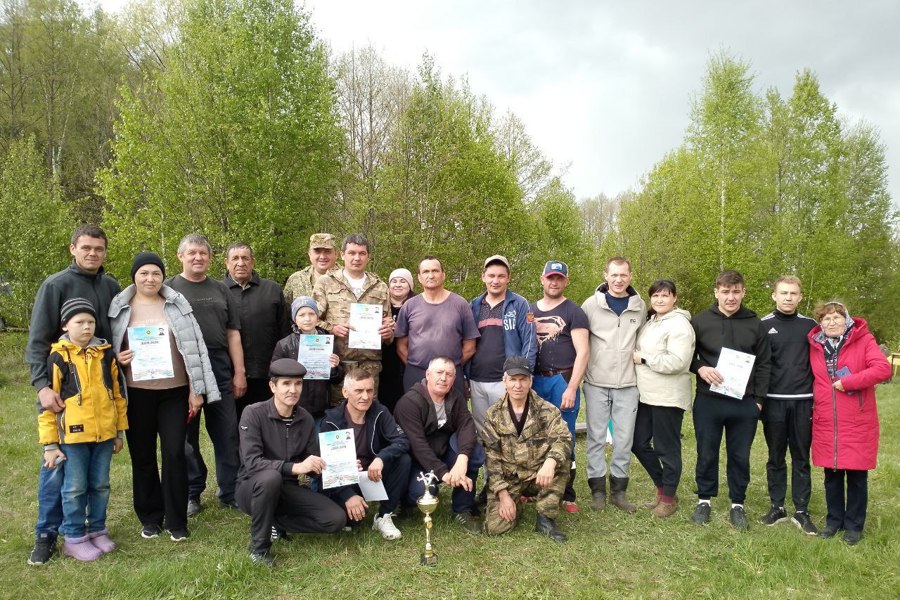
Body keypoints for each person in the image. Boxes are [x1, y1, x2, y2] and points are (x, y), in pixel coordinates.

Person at [26, 225, 121, 566]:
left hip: (99, 391)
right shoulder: (56, 285)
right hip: (59, 389)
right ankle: (46, 534)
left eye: (99, 248)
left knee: (91, 476)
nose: (93, 253)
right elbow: (37, 342)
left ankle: (90, 530)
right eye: (86, 247)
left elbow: (112, 336)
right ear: (73, 249)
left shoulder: (111, 286)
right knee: (57, 467)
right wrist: (42, 387)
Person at [108, 252, 221, 541]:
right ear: (134, 276)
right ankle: (150, 517)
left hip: (174, 393)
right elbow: (106, 350)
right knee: (143, 456)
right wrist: (117, 359)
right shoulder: (120, 308)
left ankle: (177, 520)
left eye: (155, 273)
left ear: (162, 276)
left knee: (175, 453)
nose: (150, 278)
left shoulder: (176, 304)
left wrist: (198, 391)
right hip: (137, 394)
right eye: (144, 273)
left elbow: (196, 349)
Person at [39, 298, 128, 561]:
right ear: (66, 324)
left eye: (90, 322)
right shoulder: (58, 357)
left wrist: (118, 431)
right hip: (73, 438)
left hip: (104, 435)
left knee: (100, 485)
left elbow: (118, 394)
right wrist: (50, 444)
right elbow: (47, 405)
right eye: (80, 322)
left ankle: (97, 530)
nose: (87, 327)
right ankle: (74, 536)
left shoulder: (105, 354)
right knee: (75, 487)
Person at [236, 359, 347, 567]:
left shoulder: (304, 418)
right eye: (286, 384)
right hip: (252, 488)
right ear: (272, 386)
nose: (293, 390)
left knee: (336, 519)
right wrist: (295, 467)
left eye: (298, 384)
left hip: (287, 488)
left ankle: (275, 522)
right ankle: (259, 548)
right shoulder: (253, 413)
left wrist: (341, 467)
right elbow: (252, 463)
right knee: (270, 478)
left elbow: (312, 462)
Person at [166, 233, 244, 516]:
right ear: (180, 256)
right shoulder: (168, 289)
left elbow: (233, 333)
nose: (197, 257)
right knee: (185, 437)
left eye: (203, 253)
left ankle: (231, 491)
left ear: (210, 259)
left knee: (226, 434)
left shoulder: (222, 290)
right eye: (192, 253)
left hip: (220, 367)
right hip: (182, 372)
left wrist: (240, 372)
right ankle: (192, 492)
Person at [689, 270, 771, 530]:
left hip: (744, 403)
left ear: (743, 292)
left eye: (736, 291)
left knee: (739, 455)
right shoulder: (700, 322)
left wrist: (758, 401)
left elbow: (765, 364)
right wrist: (700, 367)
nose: (731, 297)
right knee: (707, 452)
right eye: (725, 292)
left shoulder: (756, 324)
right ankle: (704, 500)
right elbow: (687, 356)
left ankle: (738, 503)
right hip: (708, 400)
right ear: (716, 293)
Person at [808, 302, 890, 545]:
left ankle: (854, 526)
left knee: (856, 476)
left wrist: (850, 382)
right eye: (826, 318)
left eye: (837, 317)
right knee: (831, 474)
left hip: (857, 419)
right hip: (826, 420)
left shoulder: (863, 340)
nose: (832, 322)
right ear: (820, 323)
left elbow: (882, 369)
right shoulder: (815, 345)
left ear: (847, 320)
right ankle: (834, 521)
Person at [482, 356, 571, 543]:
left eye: (523, 379)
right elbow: (492, 459)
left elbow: (562, 439)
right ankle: (515, 504)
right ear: (504, 381)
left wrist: (550, 462)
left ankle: (545, 518)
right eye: (513, 379)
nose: (518, 385)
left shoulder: (547, 410)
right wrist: (504, 495)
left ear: (530, 381)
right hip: (510, 478)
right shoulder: (493, 414)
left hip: (539, 475)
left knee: (561, 464)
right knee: (495, 528)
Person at [581, 256, 646, 513]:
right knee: (596, 437)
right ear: (606, 275)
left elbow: (643, 339)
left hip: (628, 384)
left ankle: (619, 490)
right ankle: (597, 490)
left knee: (623, 439)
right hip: (597, 382)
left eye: (623, 275)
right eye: (614, 275)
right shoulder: (590, 305)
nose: (618, 280)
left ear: (630, 276)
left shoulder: (639, 306)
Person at [394, 356, 484, 534]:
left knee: (475, 454)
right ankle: (402, 500)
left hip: (443, 452)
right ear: (428, 374)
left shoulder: (455, 397)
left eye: (449, 374)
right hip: (417, 460)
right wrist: (443, 472)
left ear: (454, 378)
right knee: (421, 494)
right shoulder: (409, 403)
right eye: (439, 373)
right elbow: (417, 445)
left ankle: (462, 508)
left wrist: (462, 460)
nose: (443, 378)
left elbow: (467, 425)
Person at [758, 276, 818, 534]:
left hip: (804, 402)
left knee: (802, 457)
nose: (788, 297)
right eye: (783, 293)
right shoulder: (763, 326)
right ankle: (777, 506)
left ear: (800, 297)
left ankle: (802, 510)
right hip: (773, 402)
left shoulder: (811, 326)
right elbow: (757, 365)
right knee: (775, 456)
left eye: (793, 293)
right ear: (774, 295)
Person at [321, 369, 411, 540]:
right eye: (359, 391)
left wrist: (381, 457)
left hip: (372, 474)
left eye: (369, 391)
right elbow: (326, 469)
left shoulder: (380, 411)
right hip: (346, 479)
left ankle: (384, 515)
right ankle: (352, 504)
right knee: (351, 522)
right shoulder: (331, 421)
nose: (365, 396)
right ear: (345, 392)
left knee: (403, 460)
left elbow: (402, 441)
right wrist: (348, 495)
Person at [631, 280, 695, 518]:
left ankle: (668, 498)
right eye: (655, 296)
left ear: (674, 298)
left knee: (666, 448)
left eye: (665, 296)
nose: (659, 300)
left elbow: (679, 362)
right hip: (647, 395)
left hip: (667, 397)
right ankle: (662, 488)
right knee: (637, 442)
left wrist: (645, 358)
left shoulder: (679, 324)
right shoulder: (652, 321)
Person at [530, 260, 589, 513]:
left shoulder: (574, 311)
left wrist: (572, 387)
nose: (554, 282)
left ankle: (567, 492)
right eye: (550, 278)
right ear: (542, 279)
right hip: (534, 379)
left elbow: (583, 352)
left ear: (566, 281)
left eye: (559, 278)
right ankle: (534, 488)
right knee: (534, 435)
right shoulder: (529, 310)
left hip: (561, 380)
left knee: (565, 436)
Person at [312, 233, 393, 400]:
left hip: (369, 366)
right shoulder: (326, 282)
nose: (357, 258)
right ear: (342, 255)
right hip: (338, 364)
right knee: (339, 415)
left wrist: (388, 334)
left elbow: (388, 326)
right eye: (352, 253)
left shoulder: (380, 287)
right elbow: (311, 321)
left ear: (368, 257)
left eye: (362, 253)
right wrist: (333, 328)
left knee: (367, 413)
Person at [468, 254, 537, 436]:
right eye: (491, 276)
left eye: (501, 276)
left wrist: (522, 375)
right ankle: (489, 466)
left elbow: (530, 342)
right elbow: (466, 343)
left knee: (510, 430)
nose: (495, 281)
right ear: (483, 277)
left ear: (508, 277)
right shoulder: (473, 306)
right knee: (484, 431)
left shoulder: (520, 305)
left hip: (506, 380)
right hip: (477, 380)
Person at [395, 256, 479, 396]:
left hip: (451, 375)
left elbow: (470, 347)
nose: (431, 275)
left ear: (443, 275)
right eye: (426, 271)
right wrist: (417, 366)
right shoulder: (409, 305)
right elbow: (401, 346)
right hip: (416, 373)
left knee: (452, 416)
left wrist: (448, 368)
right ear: (419, 277)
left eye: (435, 271)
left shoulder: (460, 304)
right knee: (415, 415)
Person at [224, 242, 290, 418]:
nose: (240, 263)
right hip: (229, 376)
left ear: (253, 262)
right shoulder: (219, 291)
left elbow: (285, 333)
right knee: (233, 429)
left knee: (268, 425)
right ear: (226, 263)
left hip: (267, 374)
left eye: (245, 258)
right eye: (235, 258)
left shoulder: (272, 290)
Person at [270, 296, 344, 422]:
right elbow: (274, 375)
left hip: (321, 406)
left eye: (311, 314)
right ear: (294, 319)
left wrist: (335, 367)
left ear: (317, 317)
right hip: (293, 406)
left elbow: (337, 379)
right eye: (301, 315)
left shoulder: (328, 342)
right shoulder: (285, 344)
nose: (307, 319)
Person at [379, 268, 417, 413]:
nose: (398, 284)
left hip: (407, 361)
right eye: (394, 281)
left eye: (403, 281)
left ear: (410, 285)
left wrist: (399, 329)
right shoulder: (379, 306)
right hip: (384, 361)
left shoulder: (417, 305)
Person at [283, 233, 338, 304]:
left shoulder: (348, 279)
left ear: (336, 254)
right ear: (309, 253)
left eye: (327, 251)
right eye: (317, 251)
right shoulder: (296, 279)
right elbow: (285, 311)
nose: (322, 256)